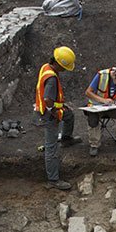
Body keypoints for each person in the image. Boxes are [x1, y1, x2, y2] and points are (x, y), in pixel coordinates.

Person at [34, 46, 79, 190]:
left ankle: (66, 138)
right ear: (59, 63)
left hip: (53, 108)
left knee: (69, 115)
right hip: (48, 114)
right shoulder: (52, 78)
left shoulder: (46, 67)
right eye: (65, 67)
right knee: (51, 146)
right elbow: (47, 98)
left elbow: (49, 95)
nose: (66, 70)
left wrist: (60, 104)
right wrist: (53, 110)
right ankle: (53, 179)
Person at [84, 63, 116, 157]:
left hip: (113, 108)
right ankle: (94, 145)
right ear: (115, 75)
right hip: (97, 107)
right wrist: (103, 100)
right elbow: (88, 92)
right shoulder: (101, 76)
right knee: (92, 117)